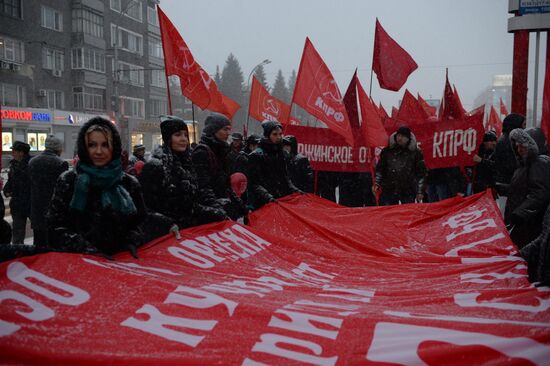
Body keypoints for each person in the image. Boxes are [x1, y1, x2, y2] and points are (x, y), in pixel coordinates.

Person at [47, 117, 146, 257]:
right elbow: (55, 228)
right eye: (92, 145)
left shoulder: (129, 183)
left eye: (105, 145)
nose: (98, 151)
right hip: (80, 267)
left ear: (114, 147)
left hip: (122, 266)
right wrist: (85, 249)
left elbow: (141, 222)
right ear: (84, 148)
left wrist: (130, 241)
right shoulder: (69, 181)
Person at [140, 115, 225, 232]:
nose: (184, 139)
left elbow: (190, 205)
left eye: (186, 135)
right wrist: (167, 224)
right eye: (178, 135)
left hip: (188, 232)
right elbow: (145, 208)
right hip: (165, 236)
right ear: (168, 138)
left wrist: (214, 211)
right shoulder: (156, 166)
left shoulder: (188, 165)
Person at [191, 114, 247, 220]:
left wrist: (243, 208)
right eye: (225, 129)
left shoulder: (221, 151)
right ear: (214, 130)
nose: (228, 133)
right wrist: (218, 212)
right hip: (210, 215)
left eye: (229, 129)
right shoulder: (202, 152)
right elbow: (204, 188)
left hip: (223, 209)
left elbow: (226, 187)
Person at [504, 128, 550, 249]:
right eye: (517, 146)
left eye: (523, 146)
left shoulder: (539, 163)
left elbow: (540, 193)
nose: (519, 150)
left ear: (533, 145)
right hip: (524, 224)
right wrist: (501, 188)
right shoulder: (525, 164)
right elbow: (522, 188)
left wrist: (521, 213)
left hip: (531, 225)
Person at [248, 121, 301, 208]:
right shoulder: (256, 155)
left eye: (280, 134)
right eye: (275, 134)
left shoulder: (282, 154)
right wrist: (268, 197)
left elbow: (284, 177)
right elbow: (253, 183)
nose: (279, 137)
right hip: (261, 202)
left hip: (279, 200)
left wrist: (296, 190)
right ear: (267, 135)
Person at [28, 135, 69, 247]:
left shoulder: (32, 162)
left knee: (38, 244)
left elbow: (29, 185)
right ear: (57, 148)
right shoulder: (61, 163)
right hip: (53, 210)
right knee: (52, 245)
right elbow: (63, 190)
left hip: (36, 210)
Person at [374, 126, 427, 205]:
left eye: (403, 136)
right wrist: (376, 183)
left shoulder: (416, 153)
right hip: (389, 190)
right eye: (398, 135)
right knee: (388, 214)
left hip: (408, 190)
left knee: (407, 214)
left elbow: (421, 173)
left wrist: (420, 191)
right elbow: (380, 169)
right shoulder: (387, 151)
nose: (400, 138)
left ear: (408, 138)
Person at [3, 141, 31, 244]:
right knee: (18, 235)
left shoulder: (31, 164)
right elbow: (11, 181)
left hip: (30, 204)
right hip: (17, 205)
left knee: (39, 232)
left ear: (21, 153)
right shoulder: (13, 165)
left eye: (14, 151)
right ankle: (18, 255)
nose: (12, 153)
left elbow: (30, 183)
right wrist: (7, 190)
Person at [495, 113, 526, 189]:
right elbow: (510, 165)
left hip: (506, 183)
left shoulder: (507, 139)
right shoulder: (509, 141)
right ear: (516, 125)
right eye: (524, 125)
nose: (525, 128)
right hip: (508, 184)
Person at [472, 131, 497, 195]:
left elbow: (496, 166)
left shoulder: (496, 152)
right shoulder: (477, 150)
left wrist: (482, 160)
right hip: (478, 186)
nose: (494, 143)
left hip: (489, 186)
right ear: (485, 142)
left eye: (494, 141)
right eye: (491, 141)